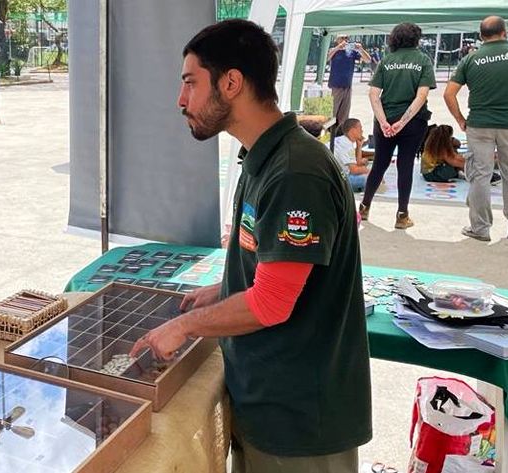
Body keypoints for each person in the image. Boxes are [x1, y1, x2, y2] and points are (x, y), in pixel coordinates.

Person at [132, 19, 370, 473]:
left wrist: (185, 327)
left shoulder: (295, 172)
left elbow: (272, 302)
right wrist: (224, 289)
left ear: (232, 82)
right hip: (269, 403)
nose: (181, 101)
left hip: (300, 423)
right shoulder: (263, 158)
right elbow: (268, 266)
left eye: (190, 83)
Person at [443, 16, 508, 241]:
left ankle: (480, 228)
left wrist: (461, 119)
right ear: (505, 32)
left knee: (480, 175)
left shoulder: (471, 59)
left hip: (479, 124)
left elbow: (449, 93)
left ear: (481, 36)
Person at [360, 22, 436, 229]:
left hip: (385, 120)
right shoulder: (422, 61)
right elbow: (422, 95)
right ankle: (402, 215)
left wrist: (385, 122)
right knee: (406, 164)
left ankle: (364, 207)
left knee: (379, 164)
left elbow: (374, 94)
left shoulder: (387, 60)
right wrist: (403, 122)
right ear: (417, 39)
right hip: (413, 123)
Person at [327, 34, 371, 129]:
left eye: (347, 38)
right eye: (342, 38)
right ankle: (330, 132)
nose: (345, 40)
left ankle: (341, 132)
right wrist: (338, 47)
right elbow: (328, 57)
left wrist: (360, 49)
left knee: (344, 113)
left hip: (347, 86)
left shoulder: (351, 51)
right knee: (332, 112)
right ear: (337, 40)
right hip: (336, 86)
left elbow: (368, 60)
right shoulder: (334, 50)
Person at [334, 118, 371, 191]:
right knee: (373, 179)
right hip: (337, 180)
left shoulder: (342, 140)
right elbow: (354, 170)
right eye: (360, 128)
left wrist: (359, 146)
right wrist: (369, 171)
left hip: (332, 175)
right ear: (353, 130)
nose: (362, 131)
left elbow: (358, 163)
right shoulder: (346, 145)